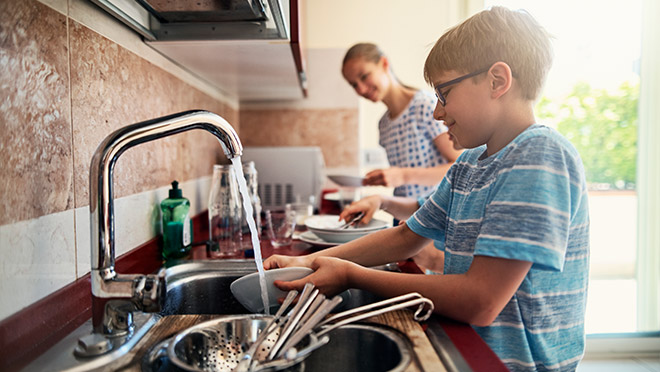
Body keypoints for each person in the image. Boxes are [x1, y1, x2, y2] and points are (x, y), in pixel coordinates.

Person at [265, 6, 590, 372]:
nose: (437, 111)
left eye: (444, 93)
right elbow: (407, 235)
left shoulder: (539, 156)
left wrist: (349, 274)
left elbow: (481, 301)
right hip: (470, 349)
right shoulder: (468, 165)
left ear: (497, 81)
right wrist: (307, 262)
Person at [341, 42, 462, 199]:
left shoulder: (425, 106)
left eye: (364, 77)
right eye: (354, 85)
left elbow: (459, 165)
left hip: (433, 214)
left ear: (384, 64)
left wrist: (403, 175)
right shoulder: (383, 125)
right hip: (403, 213)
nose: (361, 89)